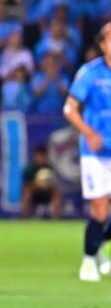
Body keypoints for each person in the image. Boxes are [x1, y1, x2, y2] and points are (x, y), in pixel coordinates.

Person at [63, 22, 111, 282]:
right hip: (96, 152)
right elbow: (69, 108)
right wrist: (89, 132)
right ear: (102, 45)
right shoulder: (91, 73)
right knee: (101, 210)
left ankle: (97, 247)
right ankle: (89, 260)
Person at [21, 145, 62, 219]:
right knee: (27, 193)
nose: (40, 158)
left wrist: (47, 185)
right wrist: (38, 183)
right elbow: (26, 185)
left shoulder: (49, 168)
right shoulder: (30, 169)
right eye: (38, 156)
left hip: (46, 192)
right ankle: (25, 217)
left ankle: (55, 218)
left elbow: (54, 184)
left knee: (56, 194)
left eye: (42, 156)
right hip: (34, 193)